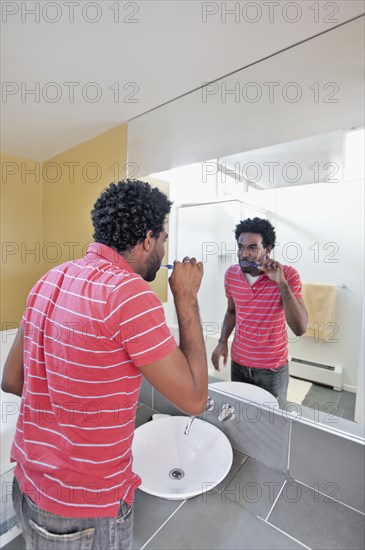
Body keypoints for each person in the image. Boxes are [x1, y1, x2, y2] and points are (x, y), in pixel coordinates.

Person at [1, 179, 208, 550]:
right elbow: (194, 400)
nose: (164, 248)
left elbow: (11, 380)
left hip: (27, 485)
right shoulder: (130, 296)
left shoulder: (49, 279)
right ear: (148, 239)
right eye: (162, 237)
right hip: (83, 510)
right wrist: (187, 299)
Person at [211, 217, 307, 403]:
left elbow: (300, 328)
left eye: (252, 247)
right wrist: (222, 342)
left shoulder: (288, 275)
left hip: (272, 369)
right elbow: (232, 312)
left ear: (268, 249)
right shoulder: (231, 274)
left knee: (272, 423)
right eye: (241, 247)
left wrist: (282, 284)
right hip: (239, 363)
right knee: (239, 415)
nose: (243, 253)